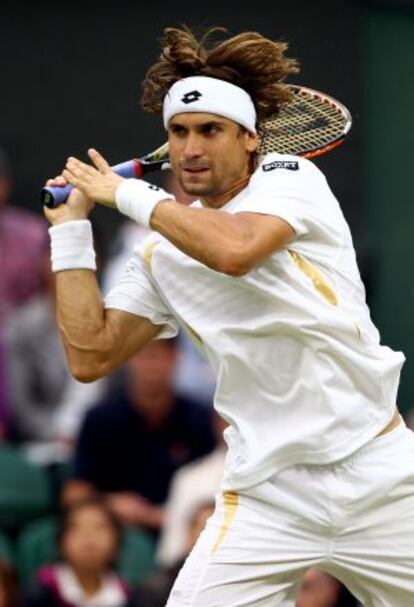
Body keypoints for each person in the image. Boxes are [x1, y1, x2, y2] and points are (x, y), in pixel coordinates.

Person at [44, 25, 413, 607]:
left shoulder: (292, 180)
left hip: (380, 470)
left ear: (249, 140)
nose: (190, 149)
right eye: (179, 132)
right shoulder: (160, 255)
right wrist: (70, 234)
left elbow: (236, 250)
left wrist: (127, 196)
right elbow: (91, 354)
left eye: (210, 130)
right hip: (269, 494)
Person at [61, 339, 216, 533]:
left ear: (176, 358)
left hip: (184, 529)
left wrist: (174, 513)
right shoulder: (100, 419)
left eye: (160, 355)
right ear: (128, 359)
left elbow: (214, 480)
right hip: (117, 528)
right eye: (144, 355)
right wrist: (111, 502)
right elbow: (75, 492)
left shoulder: (200, 419)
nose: (152, 365)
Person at [23, 497, 137, 607]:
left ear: (117, 541)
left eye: (100, 527)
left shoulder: (126, 598)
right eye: (76, 527)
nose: (89, 536)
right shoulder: (40, 593)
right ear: (61, 541)